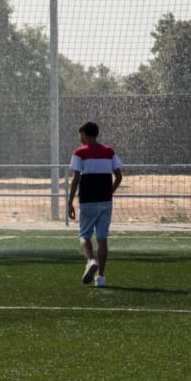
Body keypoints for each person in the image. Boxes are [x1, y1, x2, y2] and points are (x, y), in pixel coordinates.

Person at [67, 121, 123, 288]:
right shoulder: (109, 151)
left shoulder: (79, 153)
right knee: (102, 238)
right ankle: (101, 277)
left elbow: (76, 178)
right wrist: (109, 192)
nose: (80, 138)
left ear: (85, 134)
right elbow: (119, 176)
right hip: (105, 200)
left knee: (84, 235)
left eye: (81, 134)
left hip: (88, 200)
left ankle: (90, 260)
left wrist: (70, 202)